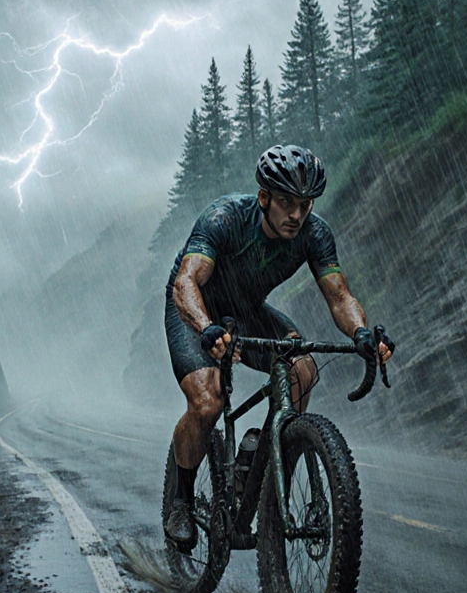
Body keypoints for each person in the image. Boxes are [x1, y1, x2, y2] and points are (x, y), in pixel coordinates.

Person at [163, 144, 394, 544]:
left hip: (248, 309)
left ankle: (256, 462)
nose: (296, 215)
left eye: (305, 204)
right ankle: (180, 501)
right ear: (264, 198)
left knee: (302, 370)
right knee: (207, 401)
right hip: (195, 310)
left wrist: (361, 334)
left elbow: (339, 296)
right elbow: (187, 282)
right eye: (286, 203)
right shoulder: (225, 218)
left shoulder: (315, 234)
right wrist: (206, 328)